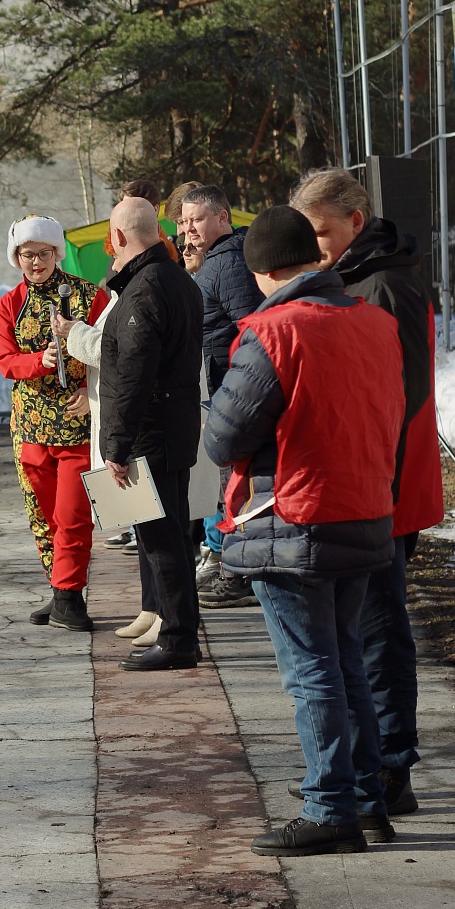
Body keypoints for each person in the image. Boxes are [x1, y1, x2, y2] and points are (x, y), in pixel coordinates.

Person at [205, 206, 404, 856]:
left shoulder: (272, 330)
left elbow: (224, 437)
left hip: (292, 518)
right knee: (348, 660)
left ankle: (330, 806)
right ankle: (367, 800)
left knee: (312, 670)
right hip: (365, 508)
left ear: (260, 269)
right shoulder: (374, 321)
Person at [291, 167, 442, 815]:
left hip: (385, 483)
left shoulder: (385, 285)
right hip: (374, 480)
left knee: (379, 628)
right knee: (367, 629)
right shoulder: (363, 275)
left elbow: (399, 397)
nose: (313, 246)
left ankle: (390, 767)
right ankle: (381, 762)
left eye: (320, 232)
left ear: (356, 222)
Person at [53, 178, 166, 647]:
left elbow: (122, 351)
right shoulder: (131, 283)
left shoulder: (148, 284)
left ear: (121, 239)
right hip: (127, 416)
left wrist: (73, 333)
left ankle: (166, 614)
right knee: (145, 525)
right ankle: (151, 606)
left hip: (147, 423)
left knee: (161, 528)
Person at [99, 196, 204, 671]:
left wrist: (116, 446)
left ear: (119, 237)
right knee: (174, 538)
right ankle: (178, 631)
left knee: (162, 541)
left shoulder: (144, 289)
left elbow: (134, 376)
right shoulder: (177, 278)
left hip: (151, 435)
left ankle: (179, 639)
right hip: (173, 428)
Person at [0, 215, 109, 631]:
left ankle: (70, 598)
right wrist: (38, 362)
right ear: (17, 257)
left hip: (77, 427)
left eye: (43, 253)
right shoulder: (7, 305)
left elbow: (114, 353)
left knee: (73, 514)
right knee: (44, 517)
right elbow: (5, 362)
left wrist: (92, 393)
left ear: (57, 253)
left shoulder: (91, 297)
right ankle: (61, 589)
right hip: (30, 428)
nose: (36, 262)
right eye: (28, 254)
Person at [181, 184, 263, 606]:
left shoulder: (229, 262)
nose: (189, 228)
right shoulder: (215, 261)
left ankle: (241, 572)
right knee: (224, 487)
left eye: (197, 219)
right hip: (217, 389)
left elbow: (250, 328)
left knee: (235, 487)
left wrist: (236, 389)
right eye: (185, 220)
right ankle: (233, 564)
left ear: (222, 218)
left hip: (231, 392)